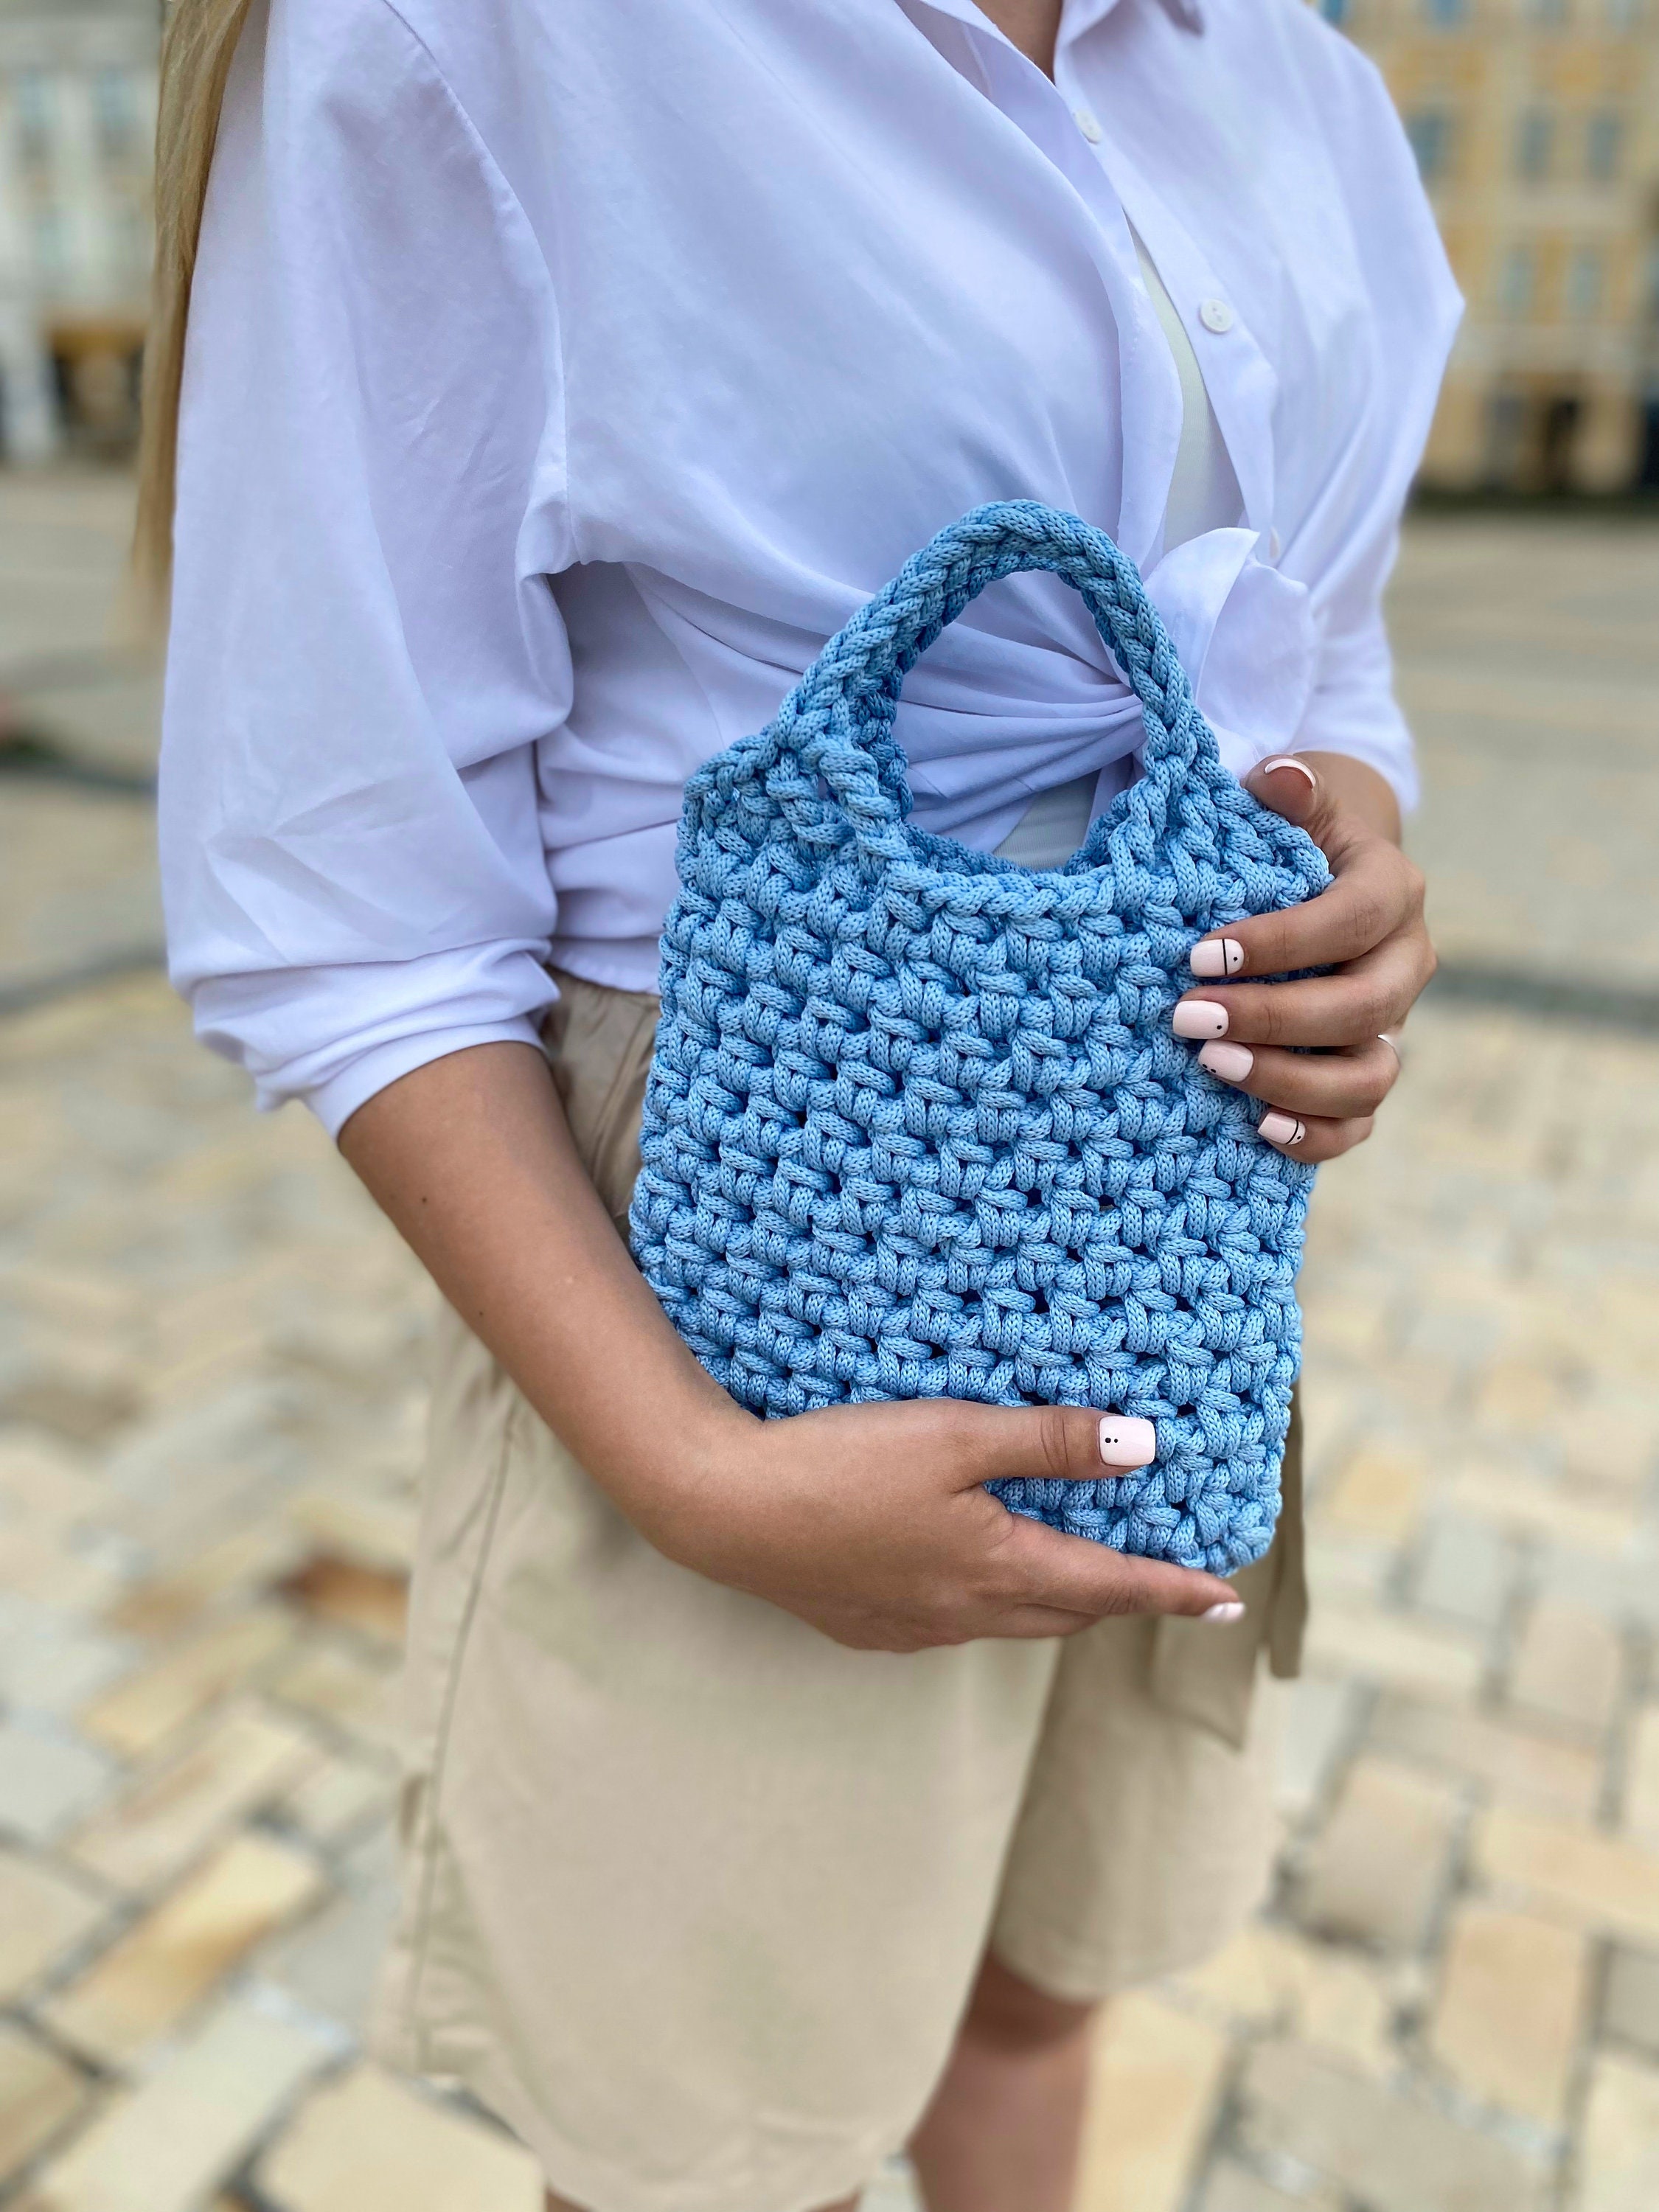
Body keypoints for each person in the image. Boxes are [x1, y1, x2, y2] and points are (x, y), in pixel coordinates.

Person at [145, 0, 1455, 2205]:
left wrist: (1365, 865)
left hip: (1174, 1210)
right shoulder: (478, 36)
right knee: (717, 2135)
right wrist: (681, 1470)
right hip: (734, 1230)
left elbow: (1313, 647)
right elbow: (342, 899)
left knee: (1038, 1987)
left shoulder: (1285, 67)